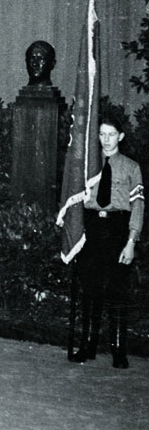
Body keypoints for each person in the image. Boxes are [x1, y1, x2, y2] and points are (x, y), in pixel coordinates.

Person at [74, 115, 144, 369]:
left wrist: (131, 240)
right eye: (102, 134)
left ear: (121, 137)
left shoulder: (131, 167)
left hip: (117, 228)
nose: (106, 139)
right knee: (90, 289)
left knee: (117, 290)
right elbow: (75, 200)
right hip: (92, 228)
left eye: (111, 134)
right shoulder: (87, 165)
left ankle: (118, 349)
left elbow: (138, 204)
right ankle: (88, 343)